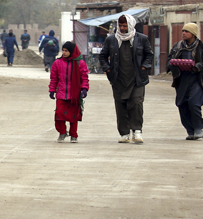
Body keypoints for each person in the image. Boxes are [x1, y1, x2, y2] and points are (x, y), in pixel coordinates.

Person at [99, 14, 153, 144]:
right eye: (121, 26)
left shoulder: (142, 39)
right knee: (121, 106)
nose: (122, 28)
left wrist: (145, 67)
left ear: (131, 25)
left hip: (137, 79)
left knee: (136, 104)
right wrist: (107, 69)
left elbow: (149, 55)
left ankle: (137, 131)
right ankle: (124, 133)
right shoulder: (111, 40)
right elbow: (103, 56)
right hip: (118, 79)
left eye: (125, 26)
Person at [167, 22, 203, 140]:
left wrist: (197, 66)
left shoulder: (202, 47)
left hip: (196, 79)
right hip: (182, 79)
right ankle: (190, 130)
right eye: (183, 31)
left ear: (193, 34)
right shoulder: (177, 46)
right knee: (182, 104)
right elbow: (169, 59)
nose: (183, 33)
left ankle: (198, 128)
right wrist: (174, 65)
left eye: (186, 31)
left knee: (194, 103)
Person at [49, 41, 89, 143]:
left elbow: (84, 77)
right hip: (61, 93)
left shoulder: (80, 63)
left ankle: (73, 135)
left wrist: (84, 89)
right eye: (63, 50)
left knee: (73, 117)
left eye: (66, 51)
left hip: (74, 95)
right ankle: (62, 132)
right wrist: (52, 90)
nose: (64, 53)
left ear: (72, 51)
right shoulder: (57, 63)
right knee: (59, 115)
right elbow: (53, 78)